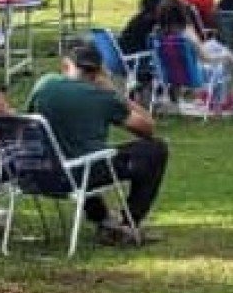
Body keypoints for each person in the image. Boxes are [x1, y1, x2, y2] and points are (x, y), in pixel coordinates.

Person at [27, 45, 171, 245]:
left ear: (66, 66)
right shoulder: (102, 97)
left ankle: (103, 219)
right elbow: (147, 127)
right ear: (98, 71)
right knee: (155, 149)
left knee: (82, 153)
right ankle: (128, 223)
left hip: (40, 172)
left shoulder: (44, 85)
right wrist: (115, 93)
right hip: (76, 174)